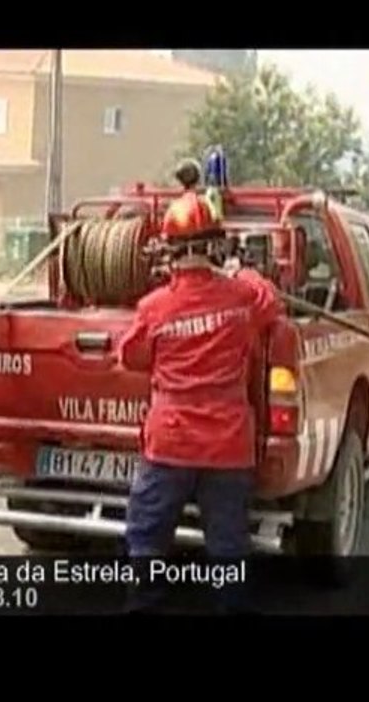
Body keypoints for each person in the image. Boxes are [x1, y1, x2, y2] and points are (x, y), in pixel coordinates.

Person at [117, 159, 285, 612]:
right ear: (216, 244)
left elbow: (130, 356)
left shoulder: (154, 307)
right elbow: (270, 304)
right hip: (228, 445)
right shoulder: (242, 296)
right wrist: (244, 272)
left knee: (147, 542)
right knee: (228, 550)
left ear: (169, 249)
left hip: (170, 442)